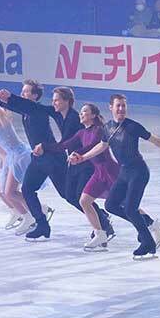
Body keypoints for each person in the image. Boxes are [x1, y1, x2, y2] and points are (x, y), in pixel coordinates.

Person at [76, 94, 160, 258]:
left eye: (123, 106)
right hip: (124, 172)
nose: (121, 109)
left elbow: (156, 141)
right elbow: (102, 145)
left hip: (138, 171)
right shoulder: (107, 128)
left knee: (130, 208)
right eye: (118, 106)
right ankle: (150, 227)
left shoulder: (133, 126)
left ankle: (147, 243)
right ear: (111, 108)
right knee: (111, 205)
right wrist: (83, 157)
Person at [0, 79, 77, 242]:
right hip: (38, 157)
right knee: (27, 189)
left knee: (67, 194)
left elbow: (14, 103)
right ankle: (42, 225)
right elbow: (12, 104)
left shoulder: (36, 110)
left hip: (52, 158)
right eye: (22, 91)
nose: (23, 93)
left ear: (34, 96)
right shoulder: (27, 110)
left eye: (26, 92)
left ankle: (99, 216)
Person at [60, 103, 121, 251]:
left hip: (110, 171)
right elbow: (65, 144)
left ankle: (153, 225)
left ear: (93, 115)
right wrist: (44, 148)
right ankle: (100, 234)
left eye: (84, 112)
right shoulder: (82, 132)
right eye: (81, 112)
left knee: (126, 205)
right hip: (98, 172)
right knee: (84, 201)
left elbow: (94, 146)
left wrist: (78, 155)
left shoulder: (100, 130)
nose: (81, 114)